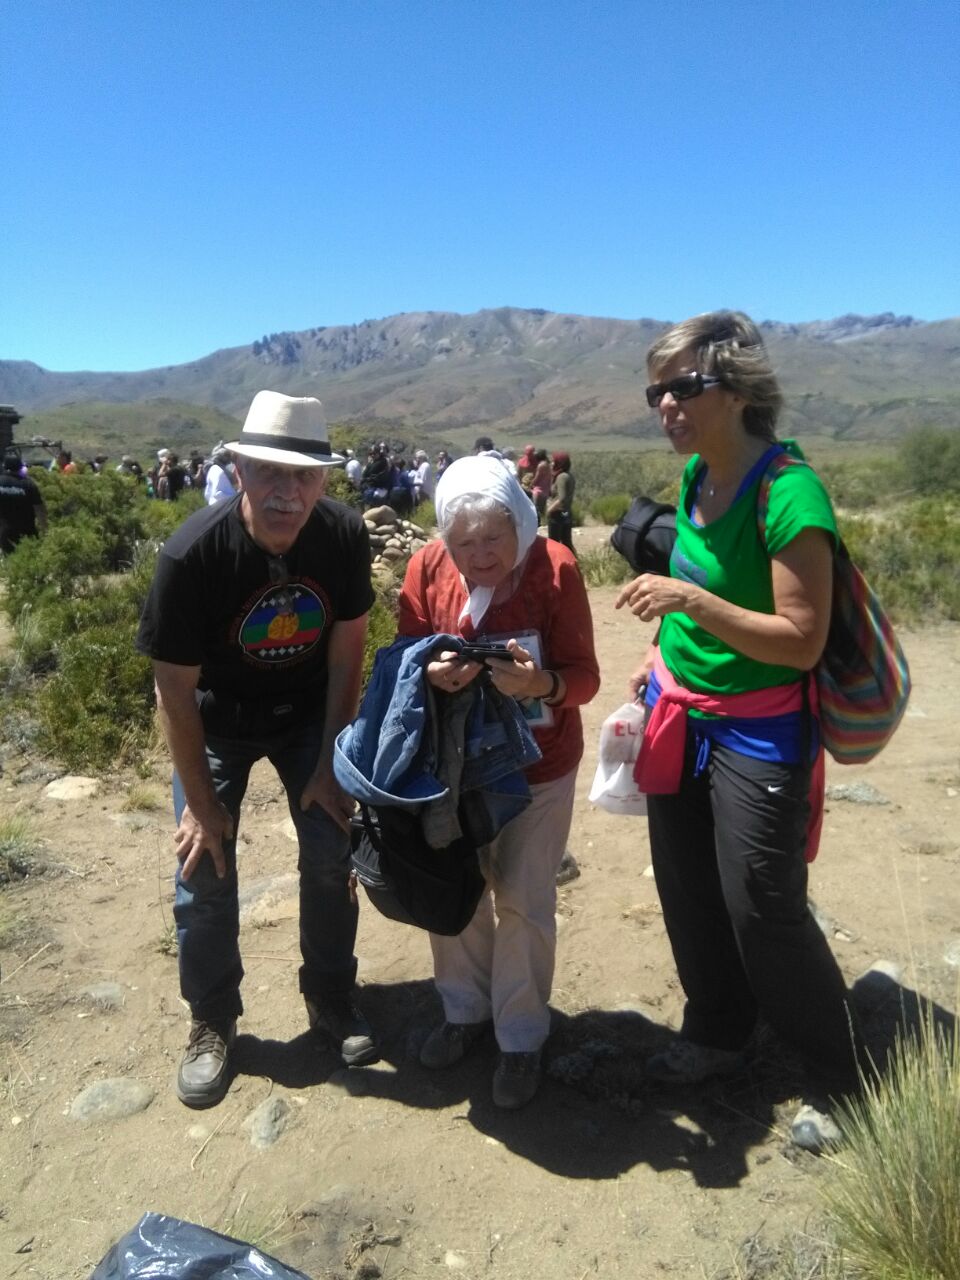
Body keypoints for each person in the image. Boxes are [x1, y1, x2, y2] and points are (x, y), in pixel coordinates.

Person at [618, 310, 865, 1153]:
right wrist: (662, 661)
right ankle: (720, 1032)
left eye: (683, 387)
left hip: (760, 731)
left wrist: (691, 603)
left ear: (739, 387)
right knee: (687, 887)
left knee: (762, 906)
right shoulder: (697, 478)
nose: (666, 406)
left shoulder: (787, 490)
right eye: (657, 391)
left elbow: (799, 641)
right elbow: (694, 597)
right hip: (682, 711)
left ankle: (838, 1068)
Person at [136, 390, 379, 1109]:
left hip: (308, 711)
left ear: (325, 482)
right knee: (202, 863)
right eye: (270, 471)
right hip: (217, 717)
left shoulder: (340, 536)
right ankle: (213, 1018)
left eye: (304, 475)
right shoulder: (192, 556)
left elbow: (348, 654)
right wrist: (202, 805)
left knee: (333, 845)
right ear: (238, 468)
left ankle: (331, 994)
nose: (287, 491)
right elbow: (173, 692)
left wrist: (332, 760)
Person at [397, 455, 600, 1108]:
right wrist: (431, 674)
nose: (480, 556)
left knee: (523, 899)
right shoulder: (427, 568)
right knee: (453, 893)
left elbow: (584, 676)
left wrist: (539, 684)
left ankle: (519, 1038)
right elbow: (404, 658)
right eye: (465, 543)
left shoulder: (555, 569)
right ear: (444, 541)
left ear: (520, 521)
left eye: (494, 538)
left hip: (538, 770)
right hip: (454, 770)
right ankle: (464, 1014)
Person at [0, 450, 47, 553]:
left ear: (4, 466)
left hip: (6, 534)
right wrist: (45, 531)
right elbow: (40, 510)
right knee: (28, 564)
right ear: (20, 467)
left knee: (10, 564)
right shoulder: (29, 485)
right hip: (27, 534)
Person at [546, 451, 575, 553]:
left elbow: (562, 498)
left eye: (554, 461)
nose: (552, 463)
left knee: (554, 543)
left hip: (558, 514)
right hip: (566, 513)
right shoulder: (568, 475)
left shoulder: (561, 477)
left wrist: (550, 510)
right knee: (567, 542)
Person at [530, 449, 552, 521]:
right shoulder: (548, 464)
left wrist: (530, 484)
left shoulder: (541, 465)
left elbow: (537, 478)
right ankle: (543, 522)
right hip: (546, 490)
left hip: (538, 490)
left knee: (536, 509)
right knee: (542, 510)